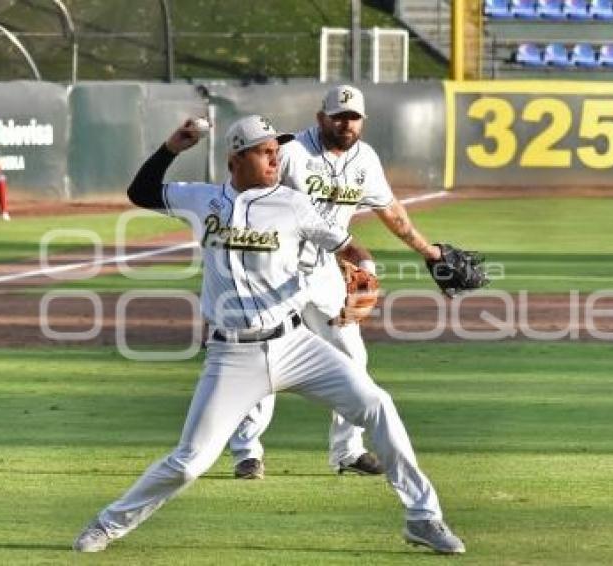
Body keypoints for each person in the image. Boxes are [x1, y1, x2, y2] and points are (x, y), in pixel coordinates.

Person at [71, 115, 465, 555]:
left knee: (378, 405)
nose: (275, 158)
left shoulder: (294, 204)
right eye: (265, 151)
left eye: (277, 151)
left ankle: (424, 517)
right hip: (231, 355)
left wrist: (365, 269)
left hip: (294, 344)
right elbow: (140, 193)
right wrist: (172, 147)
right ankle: (107, 524)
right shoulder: (201, 200)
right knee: (189, 464)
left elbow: (347, 245)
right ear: (237, 157)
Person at [229, 85, 447, 480]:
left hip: (327, 271)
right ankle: (247, 452)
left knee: (352, 357)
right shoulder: (293, 152)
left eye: (353, 117)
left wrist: (427, 250)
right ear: (321, 118)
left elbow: (390, 209)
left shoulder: (366, 159)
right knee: (262, 357)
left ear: (363, 121)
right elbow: (252, 198)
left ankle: (347, 450)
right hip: (275, 272)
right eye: (338, 116)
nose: (346, 123)